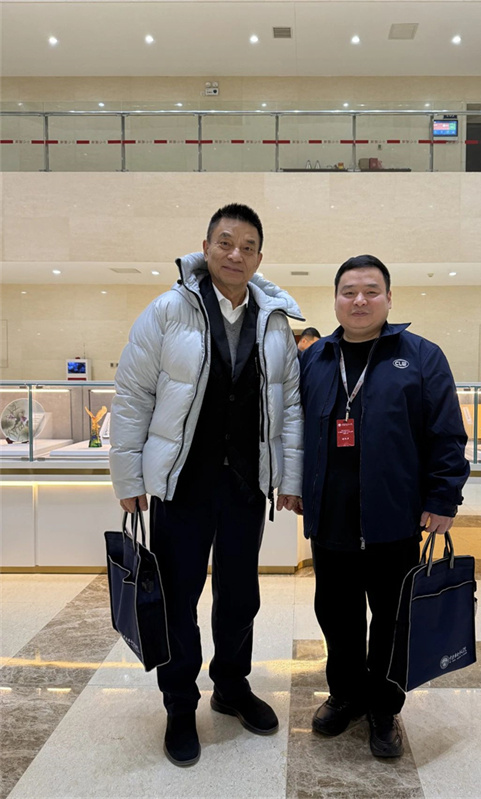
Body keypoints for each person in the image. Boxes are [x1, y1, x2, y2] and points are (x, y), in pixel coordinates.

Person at [109, 203, 303, 767]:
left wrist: (288, 477)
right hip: (182, 486)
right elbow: (132, 395)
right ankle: (179, 703)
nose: (235, 254)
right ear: (206, 247)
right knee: (178, 599)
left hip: (246, 486)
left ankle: (232, 685)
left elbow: (289, 404)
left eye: (247, 246)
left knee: (240, 595)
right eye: (225, 242)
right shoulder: (168, 310)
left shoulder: (274, 321)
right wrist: (129, 476)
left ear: (259, 257)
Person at [299, 254, 469, 759]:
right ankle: (346, 693)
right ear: (335, 299)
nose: (360, 300)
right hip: (331, 516)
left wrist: (443, 497)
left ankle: (384, 705)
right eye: (349, 291)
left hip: (394, 517)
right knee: (337, 615)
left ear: (389, 299)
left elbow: (446, 433)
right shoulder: (316, 358)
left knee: (393, 618)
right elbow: (293, 430)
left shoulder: (421, 356)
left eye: (371, 291)